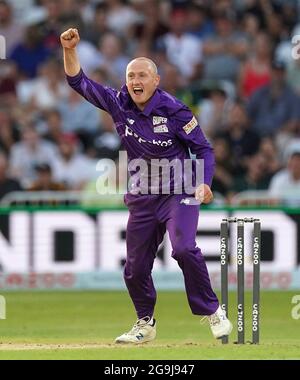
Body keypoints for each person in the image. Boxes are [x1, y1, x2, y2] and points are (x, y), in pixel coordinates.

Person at [60, 28, 232, 344]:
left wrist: (205, 184)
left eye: (142, 75)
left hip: (179, 192)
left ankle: (213, 311)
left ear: (156, 80)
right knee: (135, 268)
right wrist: (69, 50)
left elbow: (204, 148)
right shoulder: (118, 102)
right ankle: (145, 323)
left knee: (183, 248)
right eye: (130, 75)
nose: (135, 80)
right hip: (142, 195)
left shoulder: (175, 110)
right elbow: (79, 82)